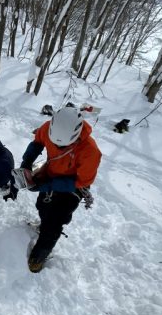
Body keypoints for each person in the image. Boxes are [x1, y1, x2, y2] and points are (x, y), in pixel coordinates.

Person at [8, 106, 102, 273]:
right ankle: (43, 225)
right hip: (51, 173)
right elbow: (37, 143)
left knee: (55, 220)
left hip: (73, 185)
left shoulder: (90, 151)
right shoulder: (48, 127)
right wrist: (26, 163)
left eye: (63, 145)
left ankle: (38, 258)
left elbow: (83, 181)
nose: (58, 147)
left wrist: (49, 185)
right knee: (43, 206)